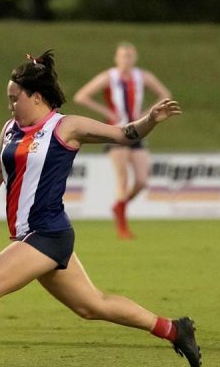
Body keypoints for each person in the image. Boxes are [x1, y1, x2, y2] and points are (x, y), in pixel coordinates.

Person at [0, 51, 200, 367]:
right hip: (33, 236)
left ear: (35, 97)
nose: (10, 105)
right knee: (92, 306)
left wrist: (151, 118)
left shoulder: (65, 127)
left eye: (14, 99)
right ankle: (174, 330)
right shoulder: (10, 130)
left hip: (47, 234)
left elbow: (125, 134)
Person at [73, 42, 173, 239]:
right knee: (122, 178)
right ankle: (122, 228)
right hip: (116, 130)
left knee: (143, 180)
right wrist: (107, 112)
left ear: (134, 59)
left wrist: (148, 114)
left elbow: (165, 94)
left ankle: (119, 207)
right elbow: (81, 96)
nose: (126, 60)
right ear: (116, 58)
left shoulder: (142, 76)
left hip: (137, 129)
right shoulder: (108, 77)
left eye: (129, 56)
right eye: (122, 56)